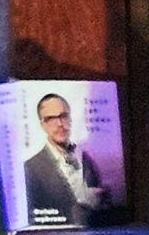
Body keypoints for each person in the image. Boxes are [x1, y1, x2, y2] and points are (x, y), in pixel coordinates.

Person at [24, 90, 110, 223]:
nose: (59, 123)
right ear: (42, 125)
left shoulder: (86, 160)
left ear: (70, 118)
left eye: (63, 116)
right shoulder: (31, 168)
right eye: (51, 119)